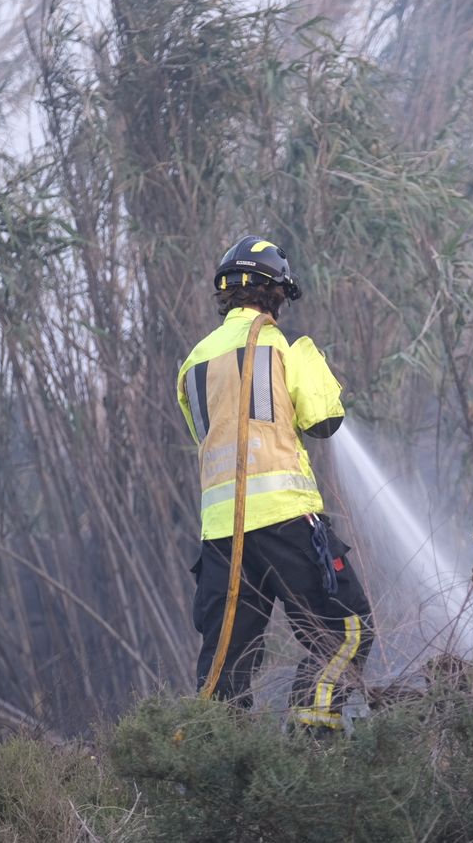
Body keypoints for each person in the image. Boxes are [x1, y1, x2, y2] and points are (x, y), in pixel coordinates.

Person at [176, 234, 374, 732]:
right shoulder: (282, 348)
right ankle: (313, 734)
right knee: (347, 632)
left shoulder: (192, 364)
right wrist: (309, 357)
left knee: (224, 672)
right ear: (275, 294)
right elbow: (325, 420)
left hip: (222, 539)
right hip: (287, 523)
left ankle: (219, 781)